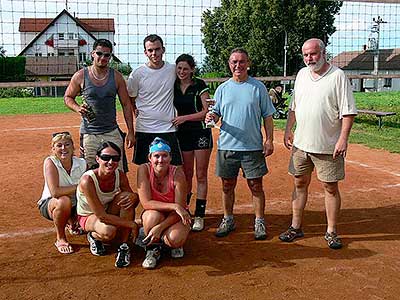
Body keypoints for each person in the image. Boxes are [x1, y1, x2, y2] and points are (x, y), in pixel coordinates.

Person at [279, 38, 357, 250]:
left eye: (313, 54)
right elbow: (294, 106)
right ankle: (296, 227)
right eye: (305, 55)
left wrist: (343, 138)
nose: (309, 58)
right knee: (299, 184)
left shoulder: (338, 76)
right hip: (301, 145)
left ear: (323, 53)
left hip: (328, 146)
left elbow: (348, 111)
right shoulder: (302, 75)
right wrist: (288, 129)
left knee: (330, 187)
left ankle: (331, 231)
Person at [205, 48, 275, 240]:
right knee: (227, 185)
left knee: (256, 185)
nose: (238, 65)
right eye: (234, 62)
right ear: (229, 64)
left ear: (248, 63)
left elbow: (268, 116)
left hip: (252, 147)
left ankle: (259, 221)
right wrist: (212, 116)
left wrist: (269, 140)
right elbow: (217, 114)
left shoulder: (258, 87)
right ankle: (228, 219)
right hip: (227, 146)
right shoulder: (222, 89)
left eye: (242, 61)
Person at [64, 38, 135, 171]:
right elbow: (68, 97)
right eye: (99, 53)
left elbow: (126, 104)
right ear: (92, 54)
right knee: (90, 172)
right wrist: (77, 108)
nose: (103, 57)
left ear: (110, 57)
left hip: (112, 131)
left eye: (107, 55)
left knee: (117, 171)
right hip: (89, 133)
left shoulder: (116, 77)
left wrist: (131, 132)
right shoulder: (80, 76)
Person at [76, 141, 139, 268]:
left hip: (107, 211)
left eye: (115, 158)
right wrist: (131, 224)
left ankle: (124, 245)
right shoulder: (87, 180)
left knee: (127, 198)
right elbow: (101, 216)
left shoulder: (119, 175)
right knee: (109, 231)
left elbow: (133, 200)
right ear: (97, 158)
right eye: (106, 158)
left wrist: (135, 197)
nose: (110, 162)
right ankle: (93, 236)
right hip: (89, 216)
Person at [127, 34, 182, 166]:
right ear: (145, 52)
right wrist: (135, 110)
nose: (154, 53)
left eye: (157, 49)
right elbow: (130, 98)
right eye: (150, 50)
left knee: (172, 170)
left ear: (163, 49)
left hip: (168, 128)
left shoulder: (173, 70)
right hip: (144, 129)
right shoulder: (137, 74)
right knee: (144, 170)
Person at [136, 137, 191, 269]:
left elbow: (180, 212)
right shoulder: (143, 169)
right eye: (157, 156)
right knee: (151, 217)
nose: (160, 160)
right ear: (150, 157)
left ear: (170, 157)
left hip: (175, 216)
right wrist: (174, 206)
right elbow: (146, 203)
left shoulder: (177, 173)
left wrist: (159, 228)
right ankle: (153, 249)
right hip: (155, 213)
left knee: (175, 240)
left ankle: (159, 236)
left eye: (164, 156)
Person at [172, 54, 212, 231]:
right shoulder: (172, 85)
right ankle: (185, 210)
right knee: (186, 173)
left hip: (200, 132)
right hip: (183, 134)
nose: (182, 72)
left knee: (201, 174)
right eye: (179, 68)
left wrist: (184, 118)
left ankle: (200, 215)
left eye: (185, 68)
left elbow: (206, 111)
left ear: (192, 70)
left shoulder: (199, 85)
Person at [38, 132, 87, 254]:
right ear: (53, 149)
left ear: (73, 147)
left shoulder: (81, 163)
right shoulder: (50, 162)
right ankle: (60, 238)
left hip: (75, 203)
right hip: (52, 203)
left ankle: (75, 222)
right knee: (64, 201)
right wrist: (79, 186)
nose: (64, 148)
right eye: (59, 145)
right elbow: (55, 192)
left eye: (67, 144)